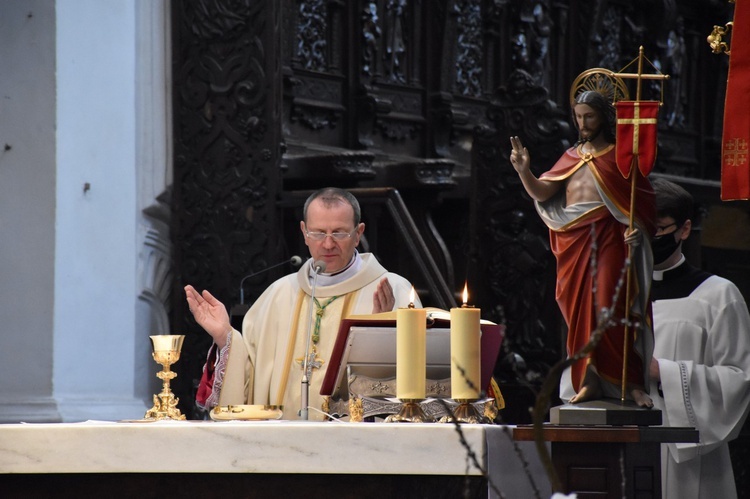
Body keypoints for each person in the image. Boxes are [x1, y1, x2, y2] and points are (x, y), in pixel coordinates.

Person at [185, 187, 420, 420]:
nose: (328, 244)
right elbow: (249, 378)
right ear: (304, 232)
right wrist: (225, 337)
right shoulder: (278, 295)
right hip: (281, 447)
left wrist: (381, 332)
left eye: (339, 233)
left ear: (358, 233)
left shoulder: (395, 291)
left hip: (352, 447)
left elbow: (414, 386)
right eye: (318, 233)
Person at [509, 90, 656, 406]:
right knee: (579, 316)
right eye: (578, 116)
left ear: (603, 116)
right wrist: (524, 171)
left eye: (589, 116)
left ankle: (630, 384)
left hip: (609, 240)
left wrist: (637, 230)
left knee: (611, 306)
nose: (583, 122)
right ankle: (588, 381)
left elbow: (642, 205)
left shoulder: (620, 158)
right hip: (575, 242)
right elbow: (543, 192)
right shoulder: (571, 156)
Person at [650, 178, 750, 498]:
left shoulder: (718, 295)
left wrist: (661, 372)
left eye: (658, 230)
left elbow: (739, 381)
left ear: (684, 229)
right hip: (624, 446)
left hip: (691, 463)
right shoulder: (616, 296)